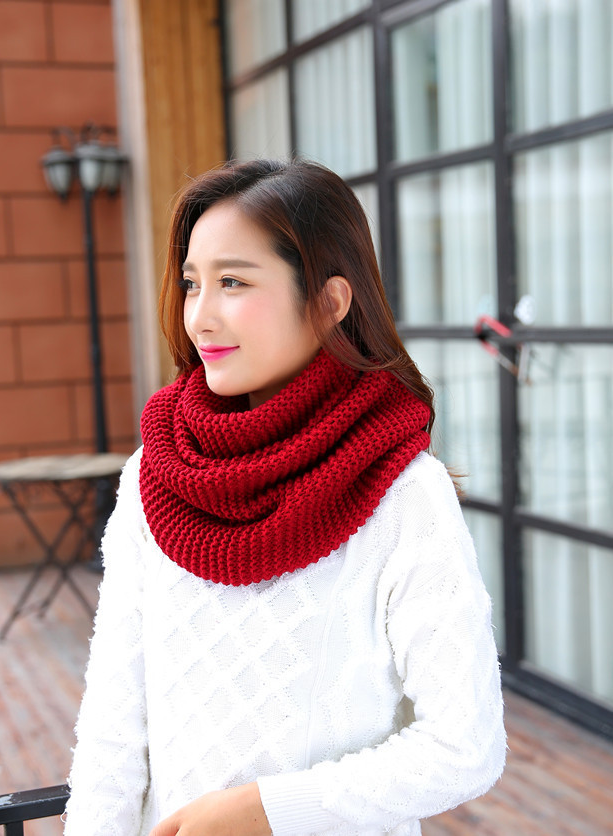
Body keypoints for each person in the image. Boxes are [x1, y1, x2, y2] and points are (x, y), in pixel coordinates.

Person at [63, 158, 506, 836]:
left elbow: (464, 747)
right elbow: (112, 730)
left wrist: (264, 811)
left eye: (233, 282)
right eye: (192, 283)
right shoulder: (154, 473)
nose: (199, 316)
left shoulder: (401, 491)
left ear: (329, 302)